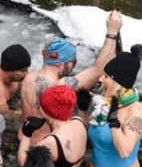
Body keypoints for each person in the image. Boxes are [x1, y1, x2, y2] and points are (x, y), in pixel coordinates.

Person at [20, 10, 123, 144]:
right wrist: (112, 31)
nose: (74, 66)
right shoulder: (61, 87)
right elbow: (99, 69)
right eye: (73, 62)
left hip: (24, 138)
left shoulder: (28, 78)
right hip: (47, 146)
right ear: (61, 64)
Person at [85, 50, 142, 167]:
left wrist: (114, 122)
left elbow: (125, 151)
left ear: (119, 82)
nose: (100, 79)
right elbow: (92, 137)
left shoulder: (135, 111)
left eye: (106, 76)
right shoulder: (106, 103)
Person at [18, 85, 86, 167]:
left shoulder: (51, 142)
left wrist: (27, 132)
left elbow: (24, 164)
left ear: (49, 113)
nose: (39, 108)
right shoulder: (79, 121)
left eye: (41, 105)